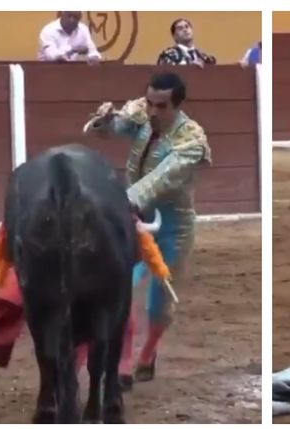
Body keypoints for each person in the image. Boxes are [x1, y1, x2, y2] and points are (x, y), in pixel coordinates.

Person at [84, 72, 212, 387]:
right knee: (121, 288)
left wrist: (121, 202)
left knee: (160, 300)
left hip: (172, 226)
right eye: (150, 102)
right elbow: (110, 130)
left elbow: (161, 179)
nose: (153, 111)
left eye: (161, 106)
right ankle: (124, 360)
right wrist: (105, 120)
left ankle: (149, 350)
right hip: (133, 220)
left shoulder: (192, 139)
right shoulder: (142, 110)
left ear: (178, 105)